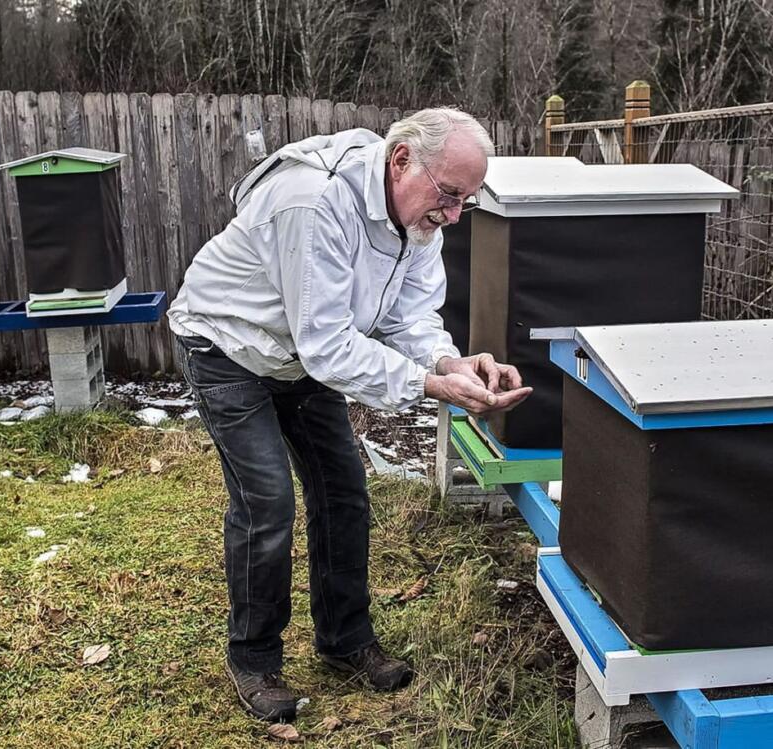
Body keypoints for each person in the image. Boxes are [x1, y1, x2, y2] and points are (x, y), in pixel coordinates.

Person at [167, 108, 531, 722]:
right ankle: (254, 658)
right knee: (267, 502)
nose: (453, 215)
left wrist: (449, 361)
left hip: (299, 356)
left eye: (468, 200)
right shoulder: (316, 204)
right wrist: (428, 385)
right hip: (228, 345)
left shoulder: (421, 220)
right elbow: (328, 345)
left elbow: (408, 316)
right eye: (449, 195)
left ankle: (344, 640)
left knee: (344, 493)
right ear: (400, 160)